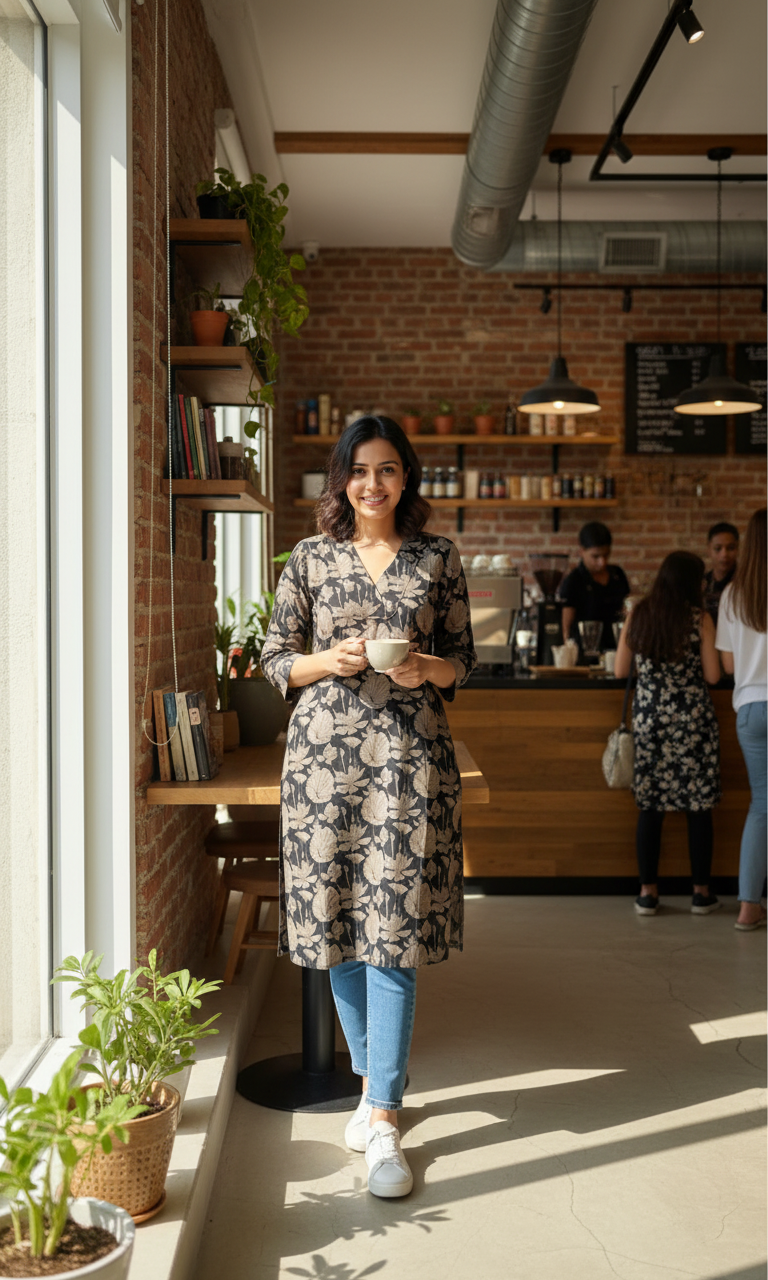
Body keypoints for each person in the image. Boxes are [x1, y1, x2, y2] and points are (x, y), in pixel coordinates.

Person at [260, 415, 476, 1199]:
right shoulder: (309, 558)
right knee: (341, 930)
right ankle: (369, 1084)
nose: (373, 484)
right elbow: (275, 659)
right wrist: (329, 659)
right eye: (360, 470)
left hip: (409, 762)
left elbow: (464, 664)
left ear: (406, 478)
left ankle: (383, 1115)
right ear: (341, 479)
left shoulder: (436, 557)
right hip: (323, 766)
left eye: (388, 469)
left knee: (394, 937)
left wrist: (425, 667)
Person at [615, 551, 722, 917]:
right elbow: (712, 676)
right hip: (693, 720)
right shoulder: (700, 619)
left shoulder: (639, 614)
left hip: (650, 720)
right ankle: (701, 893)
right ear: (692, 582)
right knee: (698, 807)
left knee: (650, 807)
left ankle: (648, 893)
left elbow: (618, 670)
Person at [715, 508, 767, 931]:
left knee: (762, 808)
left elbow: (728, 666)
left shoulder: (733, 594)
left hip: (750, 708)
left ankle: (749, 907)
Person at [560, 522, 630, 653]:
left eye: (606, 555)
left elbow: (626, 613)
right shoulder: (573, 581)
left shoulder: (617, 575)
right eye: (595, 556)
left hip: (616, 651)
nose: (602, 562)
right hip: (585, 654)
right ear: (581, 551)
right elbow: (566, 628)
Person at [703, 521, 739, 624]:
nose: (724, 554)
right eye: (718, 549)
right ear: (709, 549)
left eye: (730, 548)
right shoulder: (702, 583)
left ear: (738, 549)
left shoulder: (745, 582)